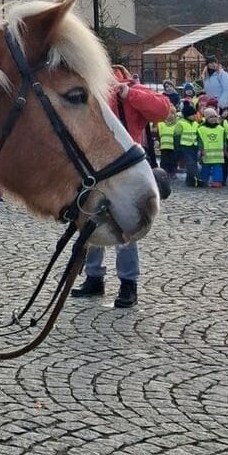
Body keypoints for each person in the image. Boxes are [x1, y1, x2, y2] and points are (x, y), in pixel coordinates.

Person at [71, 64, 171, 308]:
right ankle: (94, 278)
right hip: (94, 169)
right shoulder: (89, 89)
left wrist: (129, 93)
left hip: (124, 170)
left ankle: (128, 283)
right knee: (90, 224)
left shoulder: (128, 90)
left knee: (126, 226)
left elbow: (162, 109)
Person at [195, 106, 227, 187]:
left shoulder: (221, 128)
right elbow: (200, 141)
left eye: (215, 116)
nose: (213, 119)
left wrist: (225, 149)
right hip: (206, 153)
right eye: (210, 117)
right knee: (205, 168)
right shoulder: (201, 128)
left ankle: (217, 182)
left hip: (218, 155)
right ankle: (204, 181)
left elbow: (224, 140)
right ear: (206, 118)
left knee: (218, 169)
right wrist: (200, 150)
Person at [155, 107, 181, 181]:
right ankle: (164, 173)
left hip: (173, 147)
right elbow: (157, 134)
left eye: (172, 113)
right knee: (164, 161)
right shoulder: (160, 124)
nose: (170, 115)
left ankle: (173, 172)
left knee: (173, 161)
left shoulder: (177, 124)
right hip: (164, 147)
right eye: (168, 113)